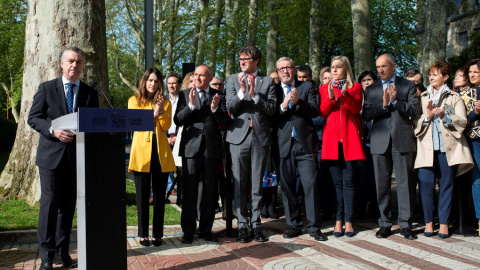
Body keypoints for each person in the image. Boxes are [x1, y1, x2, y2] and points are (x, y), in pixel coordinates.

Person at [28, 46, 99, 270]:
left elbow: (94, 124)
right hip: (51, 157)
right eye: (70, 61)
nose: (74, 65)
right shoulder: (47, 88)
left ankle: (62, 253)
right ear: (61, 63)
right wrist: (53, 130)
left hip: (75, 158)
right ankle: (46, 257)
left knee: (67, 208)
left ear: (82, 66)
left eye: (78, 62)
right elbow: (33, 118)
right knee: (49, 206)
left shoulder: (90, 93)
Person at [362, 53, 418, 240]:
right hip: (379, 141)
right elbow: (366, 114)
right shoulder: (372, 89)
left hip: (401, 139)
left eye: (384, 66)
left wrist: (396, 101)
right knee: (382, 184)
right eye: (378, 67)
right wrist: (384, 106)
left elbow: (413, 110)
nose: (380, 70)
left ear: (393, 66)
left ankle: (405, 223)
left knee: (404, 183)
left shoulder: (407, 85)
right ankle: (385, 223)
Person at [414, 61, 473, 238]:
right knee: (426, 186)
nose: (431, 77)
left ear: (446, 77)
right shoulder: (422, 97)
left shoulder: (454, 97)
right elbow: (415, 124)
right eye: (430, 74)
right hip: (426, 150)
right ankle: (429, 223)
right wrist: (428, 116)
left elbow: (462, 122)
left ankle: (445, 223)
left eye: (435, 74)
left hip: (448, 150)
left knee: (447, 186)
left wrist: (444, 116)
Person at [225, 45, 276, 243]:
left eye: (246, 59)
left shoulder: (268, 81)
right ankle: (241, 226)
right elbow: (229, 106)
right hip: (238, 137)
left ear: (256, 61)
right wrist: (242, 92)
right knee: (239, 183)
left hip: (260, 137)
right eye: (240, 59)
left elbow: (271, 109)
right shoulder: (232, 80)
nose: (242, 62)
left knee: (256, 185)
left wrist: (254, 96)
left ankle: (256, 225)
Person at [174, 64, 229, 244]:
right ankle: (188, 231)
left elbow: (225, 121)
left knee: (209, 191)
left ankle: (206, 229)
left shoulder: (219, 95)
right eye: (196, 75)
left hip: (212, 149)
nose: (197, 78)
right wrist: (190, 106)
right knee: (189, 192)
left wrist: (215, 109)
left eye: (201, 75)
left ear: (209, 78)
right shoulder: (184, 95)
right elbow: (178, 120)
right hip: (191, 148)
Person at [274, 57, 326, 241]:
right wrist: (283, 105)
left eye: (288, 67)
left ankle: (314, 226)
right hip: (283, 145)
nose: (285, 71)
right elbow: (271, 115)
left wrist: (297, 102)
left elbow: (314, 110)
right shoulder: (274, 90)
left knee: (311, 184)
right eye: (281, 69)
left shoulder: (307, 87)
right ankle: (294, 225)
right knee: (287, 187)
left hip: (305, 144)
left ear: (294, 70)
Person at [128, 68, 176, 247]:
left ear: (159, 84)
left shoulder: (166, 102)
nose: (153, 84)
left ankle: (157, 234)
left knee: (159, 196)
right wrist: (154, 113)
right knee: (141, 196)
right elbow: (136, 122)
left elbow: (166, 126)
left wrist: (160, 109)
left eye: (156, 81)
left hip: (160, 153)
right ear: (144, 81)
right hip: (141, 153)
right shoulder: (134, 100)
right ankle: (142, 234)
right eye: (150, 80)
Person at [319, 56, 365, 237]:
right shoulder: (324, 88)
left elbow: (355, 110)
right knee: (336, 183)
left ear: (346, 69)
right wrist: (331, 97)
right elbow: (322, 112)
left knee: (349, 183)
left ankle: (349, 221)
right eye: (333, 67)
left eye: (339, 67)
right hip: (331, 142)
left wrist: (345, 94)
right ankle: (338, 221)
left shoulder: (356, 87)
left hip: (349, 141)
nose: (335, 70)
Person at [356, 71, 379, 218]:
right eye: (363, 80)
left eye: (369, 79)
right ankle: (361, 209)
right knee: (362, 179)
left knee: (377, 179)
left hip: (377, 144)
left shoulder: (380, 98)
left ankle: (377, 209)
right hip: (362, 145)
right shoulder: (358, 101)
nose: (367, 82)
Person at [460, 58, 480, 231]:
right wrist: (476, 112)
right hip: (474, 139)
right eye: (470, 72)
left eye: (476, 72)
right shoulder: (465, 93)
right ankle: (479, 219)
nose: (472, 75)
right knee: (477, 179)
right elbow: (462, 120)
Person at [165, 73, 183, 207]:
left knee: (180, 170)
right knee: (164, 169)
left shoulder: (185, 99)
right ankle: (163, 195)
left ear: (180, 85)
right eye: (169, 83)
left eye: (174, 83)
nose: (171, 85)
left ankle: (181, 199)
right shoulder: (162, 100)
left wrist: (177, 137)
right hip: (165, 138)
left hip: (180, 138)